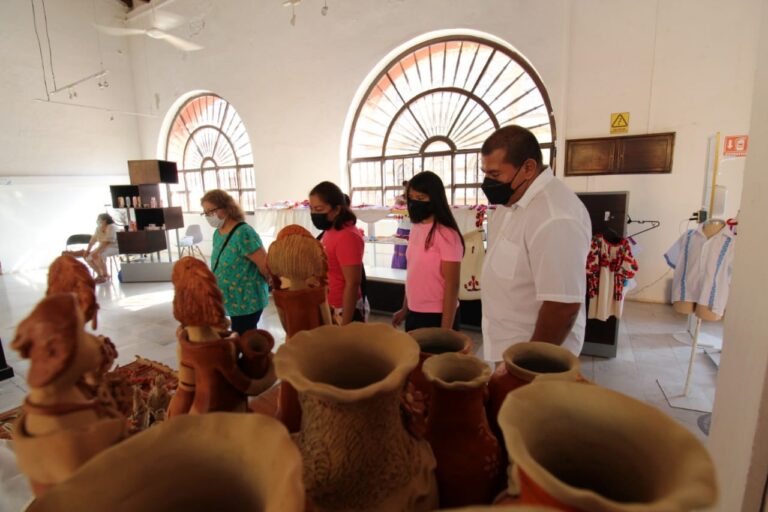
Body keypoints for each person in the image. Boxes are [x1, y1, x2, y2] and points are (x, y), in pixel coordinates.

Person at [479, 125, 591, 361]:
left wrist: (528, 367)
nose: (488, 183)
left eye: (495, 175)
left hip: (531, 356)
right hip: (504, 344)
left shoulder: (555, 217)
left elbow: (563, 307)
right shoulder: (512, 201)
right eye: (485, 173)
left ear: (528, 168)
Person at [392, 171, 464, 331]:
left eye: (421, 198)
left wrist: (445, 331)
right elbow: (413, 274)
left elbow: (453, 285)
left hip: (437, 315)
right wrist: (405, 308)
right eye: (411, 198)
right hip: (414, 311)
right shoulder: (416, 228)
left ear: (435, 199)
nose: (414, 203)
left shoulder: (447, 235)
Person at [201, 189, 269, 335]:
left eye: (210, 211)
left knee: (244, 340)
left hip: (247, 301)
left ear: (225, 208)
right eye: (205, 213)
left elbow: (264, 264)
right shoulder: (217, 233)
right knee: (236, 336)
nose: (208, 216)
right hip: (230, 300)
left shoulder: (244, 232)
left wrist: (274, 284)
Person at [309, 182, 365, 325]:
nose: (314, 213)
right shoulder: (330, 230)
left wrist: (345, 322)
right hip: (330, 303)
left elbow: (352, 283)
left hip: (343, 308)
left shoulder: (347, 236)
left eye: (319, 209)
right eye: (312, 209)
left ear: (337, 209)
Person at [84, 213, 119, 284]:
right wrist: (88, 250)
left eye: (99, 220)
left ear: (105, 220)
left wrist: (97, 252)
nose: (97, 221)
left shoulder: (112, 227)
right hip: (102, 247)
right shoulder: (98, 229)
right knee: (88, 258)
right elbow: (92, 240)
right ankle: (100, 274)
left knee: (99, 255)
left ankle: (105, 275)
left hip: (114, 247)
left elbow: (107, 242)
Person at [391, 180, 411, 270]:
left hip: (412, 229)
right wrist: (399, 203)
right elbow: (395, 210)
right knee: (400, 253)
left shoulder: (416, 199)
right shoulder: (400, 198)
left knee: (409, 254)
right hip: (402, 228)